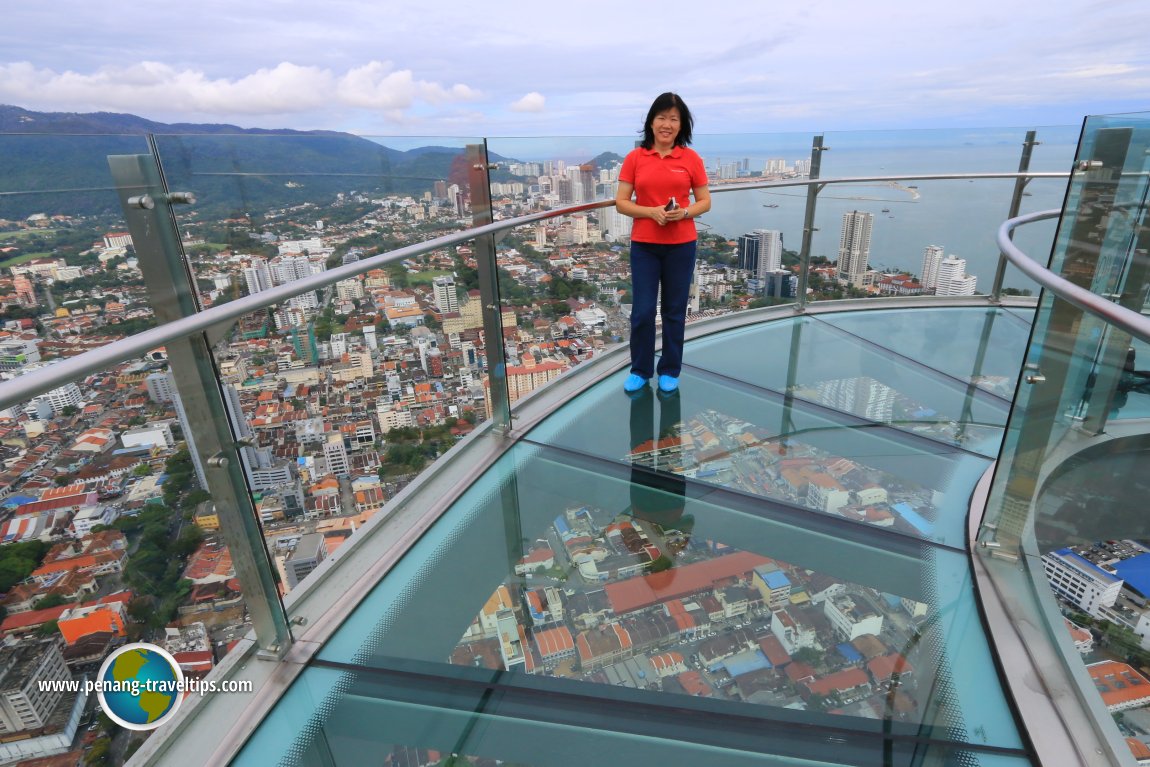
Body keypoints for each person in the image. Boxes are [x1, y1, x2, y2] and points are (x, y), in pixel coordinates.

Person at [615, 92, 711, 394]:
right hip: (645, 244)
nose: (667, 124)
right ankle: (640, 369)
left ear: (681, 125)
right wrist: (650, 212)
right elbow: (621, 202)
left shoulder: (691, 159)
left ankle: (670, 369)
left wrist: (684, 213)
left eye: (673, 119)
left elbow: (705, 202)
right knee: (642, 311)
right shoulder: (635, 158)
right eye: (661, 117)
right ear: (651, 122)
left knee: (673, 310)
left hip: (682, 244)